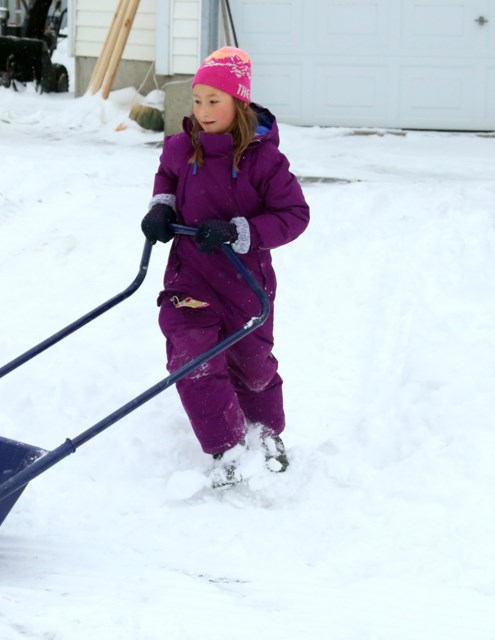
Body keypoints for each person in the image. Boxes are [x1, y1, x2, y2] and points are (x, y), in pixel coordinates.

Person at [140, 46, 310, 488]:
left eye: (214, 100)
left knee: (251, 366)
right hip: (190, 275)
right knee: (191, 356)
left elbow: (294, 215)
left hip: (244, 280)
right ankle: (225, 445)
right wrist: (161, 207)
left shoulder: (265, 160)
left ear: (239, 102)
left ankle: (267, 432)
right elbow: (167, 180)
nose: (202, 110)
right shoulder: (181, 147)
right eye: (197, 100)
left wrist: (238, 231)